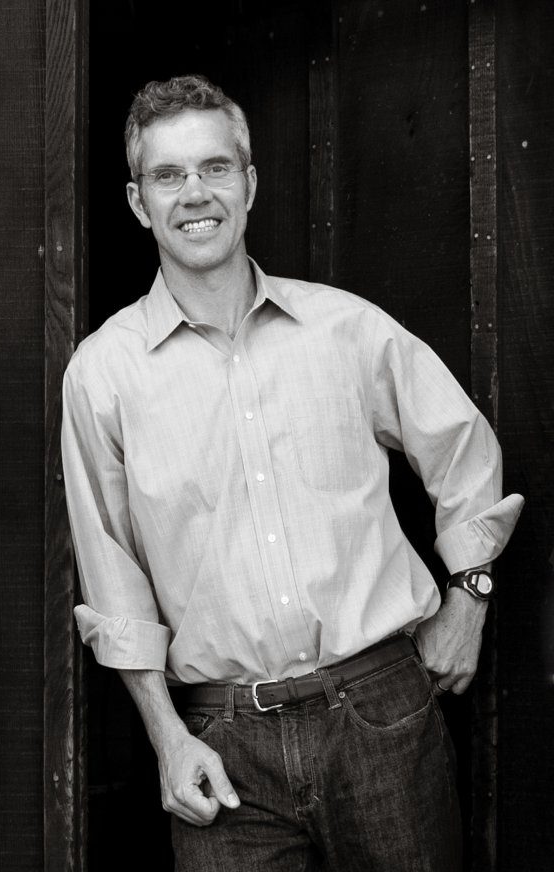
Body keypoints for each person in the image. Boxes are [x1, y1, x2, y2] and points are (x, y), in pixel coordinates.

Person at [61, 74, 524, 871]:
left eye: (214, 167)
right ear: (139, 203)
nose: (194, 193)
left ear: (248, 184)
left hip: (383, 718)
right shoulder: (102, 375)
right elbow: (113, 577)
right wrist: (168, 739)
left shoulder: (346, 330)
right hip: (221, 745)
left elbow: (463, 452)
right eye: (168, 175)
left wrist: (469, 600)